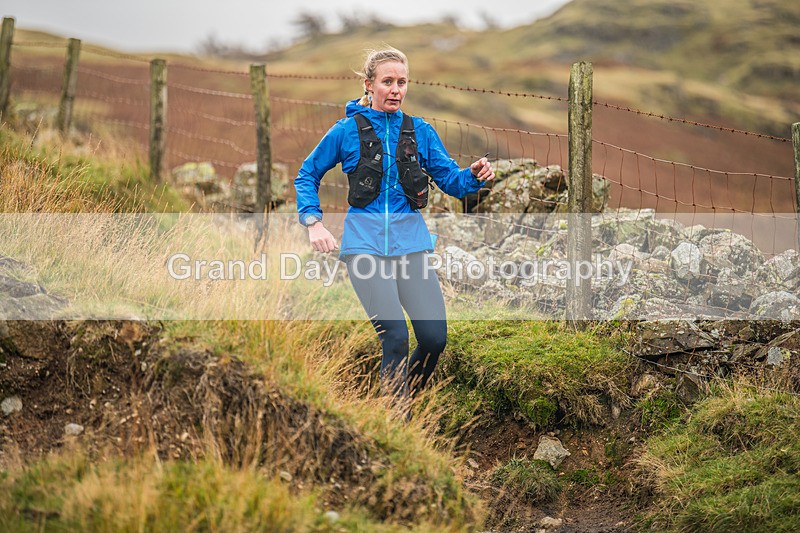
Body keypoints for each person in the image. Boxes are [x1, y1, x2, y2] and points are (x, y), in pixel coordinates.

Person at [294, 47, 494, 407]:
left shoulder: (421, 131)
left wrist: (474, 176)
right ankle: (395, 419)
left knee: (434, 339)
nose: (396, 89)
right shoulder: (346, 131)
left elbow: (451, 180)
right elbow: (307, 174)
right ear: (369, 85)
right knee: (396, 337)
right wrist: (313, 222)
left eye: (402, 82)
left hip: (411, 247)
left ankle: (395, 404)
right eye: (388, 82)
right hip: (363, 249)